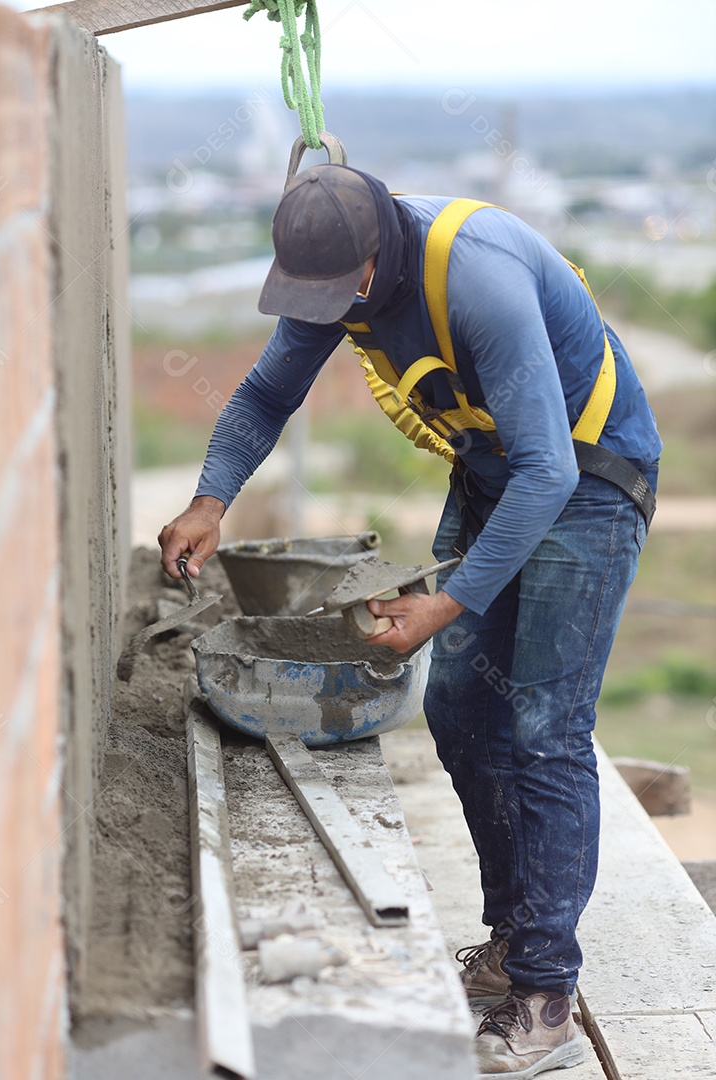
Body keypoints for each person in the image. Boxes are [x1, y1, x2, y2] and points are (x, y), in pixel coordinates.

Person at [159, 164, 660, 1078]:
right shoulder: (335, 280)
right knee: (462, 707)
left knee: (546, 728)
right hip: (494, 477)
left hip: (586, 482)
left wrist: (447, 600)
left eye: (329, 290)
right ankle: (513, 942)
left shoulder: (477, 282)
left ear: (374, 256)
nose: (314, 307)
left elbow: (550, 471)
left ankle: (546, 994)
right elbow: (267, 395)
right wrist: (209, 500)